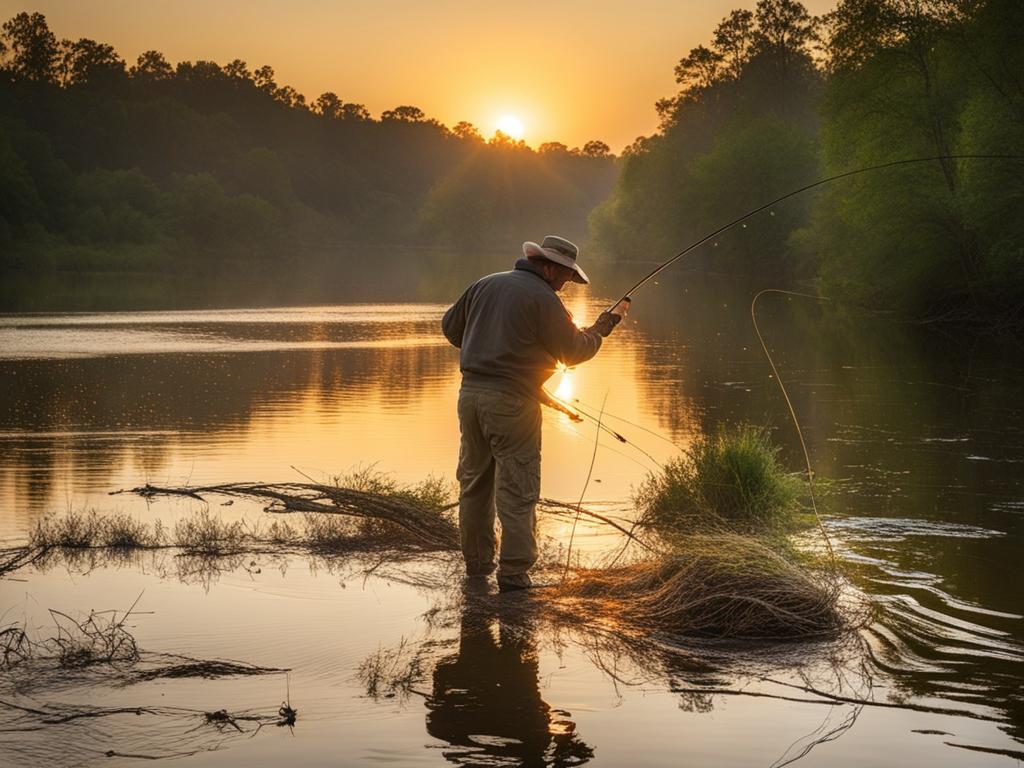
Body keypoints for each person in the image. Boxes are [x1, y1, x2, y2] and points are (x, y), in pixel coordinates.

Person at [441, 235, 625, 592]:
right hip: (512, 403)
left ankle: (477, 567)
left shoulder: (484, 284)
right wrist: (601, 330)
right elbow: (573, 353)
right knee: (518, 485)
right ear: (547, 266)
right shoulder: (543, 298)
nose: (565, 285)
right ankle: (514, 573)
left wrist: (488, 344)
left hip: (470, 397)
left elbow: (451, 329)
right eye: (565, 277)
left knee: (475, 484)